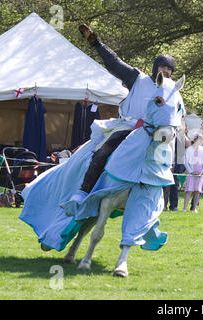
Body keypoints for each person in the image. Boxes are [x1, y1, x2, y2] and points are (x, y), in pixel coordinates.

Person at [69, 24, 179, 204]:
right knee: (104, 152)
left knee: (166, 161)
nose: (166, 71)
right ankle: (83, 191)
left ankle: (157, 202)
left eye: (169, 69)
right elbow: (115, 63)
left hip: (158, 132)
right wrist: (97, 44)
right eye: (163, 67)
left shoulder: (171, 91)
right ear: (155, 68)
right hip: (130, 127)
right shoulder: (138, 78)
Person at [165, 116, 191, 211]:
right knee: (166, 183)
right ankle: (164, 205)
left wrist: (183, 133)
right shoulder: (170, 128)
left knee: (175, 183)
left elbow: (188, 144)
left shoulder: (183, 133)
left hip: (179, 160)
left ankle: (174, 205)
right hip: (169, 159)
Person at [183, 133, 203, 213]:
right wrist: (190, 171)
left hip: (200, 172)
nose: (200, 142)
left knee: (197, 191)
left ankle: (194, 208)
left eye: (201, 140)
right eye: (199, 140)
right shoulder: (189, 149)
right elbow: (186, 162)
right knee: (189, 190)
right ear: (194, 140)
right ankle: (184, 208)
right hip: (191, 172)